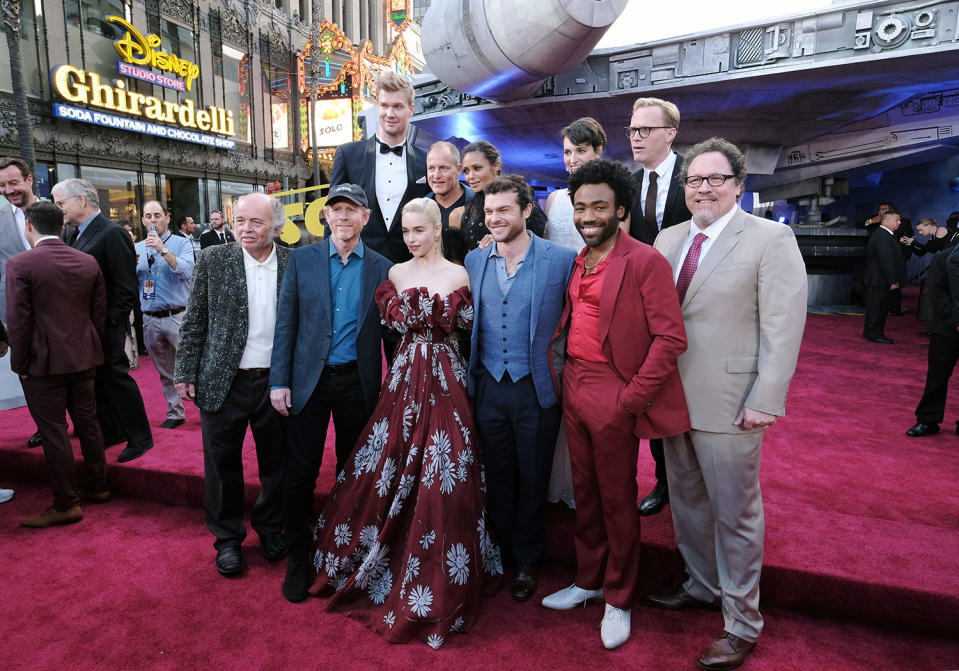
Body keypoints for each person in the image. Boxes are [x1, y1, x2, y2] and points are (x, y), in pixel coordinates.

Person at [309, 197, 502, 649]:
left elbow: (473, 332)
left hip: (448, 380)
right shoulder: (395, 274)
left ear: (437, 230)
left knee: (447, 471)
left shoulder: (461, 274)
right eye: (406, 232)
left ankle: (442, 575)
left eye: (420, 230)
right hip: (402, 379)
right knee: (386, 461)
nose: (412, 239)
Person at [649, 138, 807, 671]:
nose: (704, 188)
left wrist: (767, 397)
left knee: (736, 514)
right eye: (695, 179)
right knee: (688, 501)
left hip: (733, 401)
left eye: (716, 179)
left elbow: (783, 326)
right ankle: (701, 584)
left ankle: (742, 622)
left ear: (739, 185)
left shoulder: (770, 238)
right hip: (671, 399)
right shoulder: (668, 238)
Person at [541, 159, 689, 649]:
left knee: (616, 499)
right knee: (584, 494)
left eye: (599, 206)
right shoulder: (579, 259)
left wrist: (632, 397)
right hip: (574, 385)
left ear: (620, 210)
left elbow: (670, 338)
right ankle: (587, 581)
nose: (587, 215)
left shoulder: (645, 260)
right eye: (581, 206)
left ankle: (619, 597)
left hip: (614, 390)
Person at [270, 183, 393, 603]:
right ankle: (299, 556)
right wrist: (279, 381)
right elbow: (286, 324)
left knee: (351, 470)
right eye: (335, 209)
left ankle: (345, 552)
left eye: (351, 209)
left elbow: (393, 336)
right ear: (325, 217)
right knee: (300, 470)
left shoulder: (383, 267)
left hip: (357, 383)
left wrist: (397, 386)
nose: (342, 216)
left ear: (365, 218)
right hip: (308, 381)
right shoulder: (302, 260)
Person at [465, 175, 576, 602]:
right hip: (488, 385)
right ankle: (500, 553)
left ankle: (528, 560)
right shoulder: (474, 262)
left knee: (533, 477)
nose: (494, 218)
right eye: (489, 212)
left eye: (504, 210)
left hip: (537, 389)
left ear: (527, 211)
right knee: (496, 475)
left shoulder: (561, 260)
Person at [174, 193, 291, 577]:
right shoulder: (213, 259)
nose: (245, 228)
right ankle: (227, 540)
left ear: (276, 226)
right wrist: (185, 372)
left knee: (276, 464)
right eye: (240, 220)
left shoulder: (294, 262)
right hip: (222, 381)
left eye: (255, 222)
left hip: (276, 382)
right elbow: (195, 321)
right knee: (222, 466)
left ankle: (272, 528)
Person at [6, 201, 111, 528]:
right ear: (62, 228)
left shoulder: (19, 264)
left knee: (53, 432)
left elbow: (18, 322)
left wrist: (19, 362)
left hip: (43, 363)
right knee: (88, 423)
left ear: (29, 227)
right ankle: (99, 486)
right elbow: (99, 315)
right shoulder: (87, 261)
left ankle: (66, 503)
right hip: (84, 356)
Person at [53, 178, 154, 463]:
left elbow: (125, 285)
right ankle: (113, 431)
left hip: (107, 324)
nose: (58, 208)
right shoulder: (73, 234)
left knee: (117, 379)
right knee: (98, 382)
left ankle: (140, 436)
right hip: (85, 325)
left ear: (81, 200)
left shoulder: (111, 232)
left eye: (61, 203)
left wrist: (113, 323)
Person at [627, 97, 693, 517]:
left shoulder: (697, 176)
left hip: (692, 298)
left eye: (644, 130)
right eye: (632, 130)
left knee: (691, 397)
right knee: (652, 393)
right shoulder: (629, 183)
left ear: (670, 133)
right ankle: (664, 482)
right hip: (643, 306)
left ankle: (694, 484)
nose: (636, 137)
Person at [542, 117, 606, 509]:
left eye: (580, 150)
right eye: (567, 151)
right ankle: (555, 478)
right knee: (556, 383)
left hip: (590, 306)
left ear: (598, 151)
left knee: (583, 389)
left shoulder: (615, 199)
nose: (573, 158)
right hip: (555, 306)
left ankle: (584, 484)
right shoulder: (554, 200)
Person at [329, 71, 429, 262]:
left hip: (410, 263)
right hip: (358, 262)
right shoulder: (348, 154)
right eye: (384, 106)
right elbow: (333, 212)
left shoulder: (425, 160)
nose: (390, 114)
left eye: (398, 106)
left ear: (411, 109)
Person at [135, 200, 194, 429]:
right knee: (164, 370)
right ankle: (175, 413)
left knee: (191, 365)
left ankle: (206, 408)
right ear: (142, 220)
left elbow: (187, 271)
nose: (152, 220)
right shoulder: (138, 247)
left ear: (167, 218)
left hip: (177, 316)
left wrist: (163, 250)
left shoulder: (181, 243)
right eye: (148, 216)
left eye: (157, 215)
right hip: (150, 318)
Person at [0, 157, 43, 448]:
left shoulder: (57, 209)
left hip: (61, 310)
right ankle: (45, 424)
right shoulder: (1, 218)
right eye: (2, 185)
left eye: (13, 183)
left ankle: (86, 422)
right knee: (28, 371)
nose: (7, 190)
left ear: (29, 179)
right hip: (17, 314)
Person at [451, 141, 547, 250]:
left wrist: (501, 241)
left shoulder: (519, 197)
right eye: (466, 171)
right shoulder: (467, 210)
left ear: (496, 166)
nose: (470, 176)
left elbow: (540, 241)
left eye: (477, 168)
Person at [907, 246, 959, 437]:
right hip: (946, 328)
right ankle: (928, 421)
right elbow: (936, 293)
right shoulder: (942, 257)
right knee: (937, 377)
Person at [863, 210, 905, 344]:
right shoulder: (882, 236)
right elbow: (886, 260)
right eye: (897, 220)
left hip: (879, 279)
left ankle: (871, 331)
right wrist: (893, 280)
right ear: (886, 221)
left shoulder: (886, 235)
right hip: (879, 279)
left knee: (878, 307)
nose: (899, 222)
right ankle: (874, 334)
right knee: (877, 308)